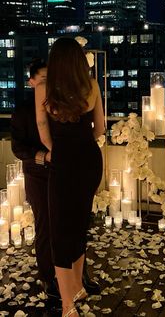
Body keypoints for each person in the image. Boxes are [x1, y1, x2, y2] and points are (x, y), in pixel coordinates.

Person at [11, 58, 101, 304]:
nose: (48, 84)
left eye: (51, 79)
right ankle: (49, 278)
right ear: (31, 82)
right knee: (47, 226)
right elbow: (18, 148)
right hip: (40, 175)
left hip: (66, 170)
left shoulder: (59, 104)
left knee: (74, 225)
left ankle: (78, 278)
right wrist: (47, 155)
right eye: (42, 80)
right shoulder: (22, 111)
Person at [35, 38, 105, 317]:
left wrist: (61, 150)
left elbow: (43, 132)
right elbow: (99, 130)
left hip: (64, 164)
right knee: (78, 225)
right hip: (89, 162)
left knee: (60, 234)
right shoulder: (93, 86)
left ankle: (68, 305)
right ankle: (77, 288)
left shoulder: (43, 89)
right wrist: (79, 146)